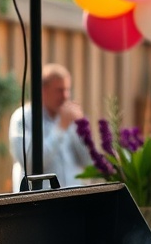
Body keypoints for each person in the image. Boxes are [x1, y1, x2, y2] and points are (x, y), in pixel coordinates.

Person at [9, 63, 92, 191]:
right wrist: (60, 129)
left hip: (74, 201)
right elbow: (30, 163)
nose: (65, 96)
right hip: (39, 204)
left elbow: (88, 162)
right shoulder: (23, 118)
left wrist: (82, 129)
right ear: (43, 91)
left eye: (67, 90)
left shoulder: (70, 118)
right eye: (59, 90)